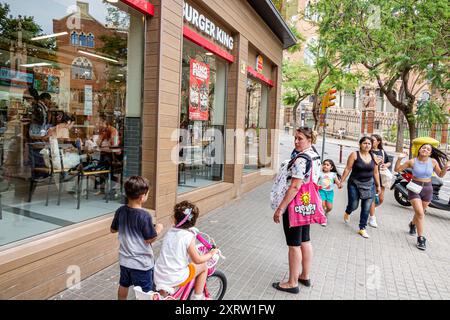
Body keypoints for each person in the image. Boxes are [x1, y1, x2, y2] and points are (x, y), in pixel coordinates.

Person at [272, 127, 321, 294]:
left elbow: (294, 186)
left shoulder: (301, 159)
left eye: (300, 138)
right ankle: (304, 275)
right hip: (307, 205)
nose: (296, 141)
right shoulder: (315, 155)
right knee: (305, 240)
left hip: (295, 206)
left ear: (309, 140)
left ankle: (292, 282)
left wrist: (280, 208)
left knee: (294, 245)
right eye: (295, 138)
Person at [110, 176, 163, 299]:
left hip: (124, 260)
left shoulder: (120, 211)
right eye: (148, 193)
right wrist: (158, 229)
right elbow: (149, 239)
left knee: (123, 284)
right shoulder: (144, 216)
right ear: (142, 197)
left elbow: (113, 229)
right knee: (145, 292)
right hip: (141, 263)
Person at [154, 201, 219, 300]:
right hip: (175, 276)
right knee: (203, 266)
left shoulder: (170, 231)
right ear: (194, 222)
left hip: (159, 273)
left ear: (175, 219)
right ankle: (198, 297)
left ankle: (163, 295)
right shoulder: (188, 236)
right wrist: (211, 253)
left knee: (171, 269)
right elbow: (197, 259)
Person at [394, 144, 450, 250]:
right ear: (420, 150)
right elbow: (397, 169)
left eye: (428, 149)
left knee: (420, 213)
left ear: (430, 153)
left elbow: (440, 175)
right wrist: (399, 159)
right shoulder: (412, 161)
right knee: (420, 213)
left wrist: (446, 167)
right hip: (414, 188)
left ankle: (412, 224)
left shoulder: (433, 162)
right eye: (423, 148)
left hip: (428, 189)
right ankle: (421, 238)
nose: (425, 150)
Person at [340, 136, 381, 239]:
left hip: (369, 185)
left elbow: (375, 172)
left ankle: (362, 228)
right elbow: (347, 168)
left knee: (366, 207)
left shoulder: (374, 157)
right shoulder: (354, 155)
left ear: (371, 146)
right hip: (354, 184)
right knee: (354, 205)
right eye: (365, 143)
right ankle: (348, 211)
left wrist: (378, 185)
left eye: (369, 144)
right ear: (360, 144)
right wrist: (341, 181)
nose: (367, 145)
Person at [368, 134, 392, 228]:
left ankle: (369, 208)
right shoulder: (368, 151)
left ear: (378, 142)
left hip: (381, 177)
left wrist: (386, 165)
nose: (370, 141)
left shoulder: (382, 152)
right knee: (372, 198)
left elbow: (389, 162)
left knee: (381, 199)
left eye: (373, 140)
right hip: (371, 177)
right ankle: (372, 217)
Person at [318, 159, 343, 227]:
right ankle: (323, 219)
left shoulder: (333, 174)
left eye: (327, 165)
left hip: (330, 192)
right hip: (321, 191)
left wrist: (339, 185)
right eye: (324, 164)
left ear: (331, 167)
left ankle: (326, 212)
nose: (325, 166)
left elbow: (337, 182)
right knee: (322, 205)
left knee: (329, 207)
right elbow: (316, 182)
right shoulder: (320, 173)